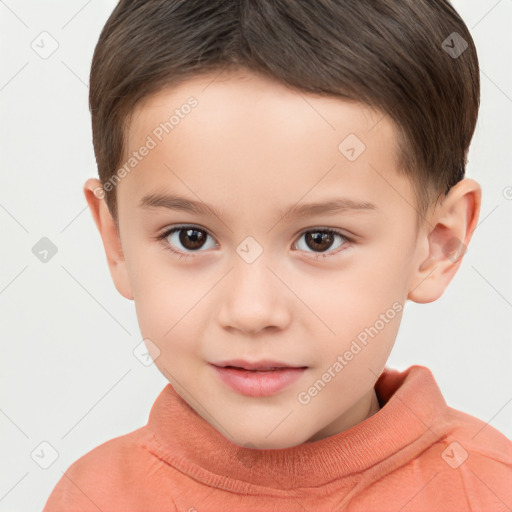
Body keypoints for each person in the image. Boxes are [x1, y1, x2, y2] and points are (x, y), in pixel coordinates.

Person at [43, 1, 512, 510]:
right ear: (116, 241)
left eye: (320, 240)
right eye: (190, 237)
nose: (250, 311)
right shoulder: (92, 497)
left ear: (439, 243)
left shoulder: (489, 490)